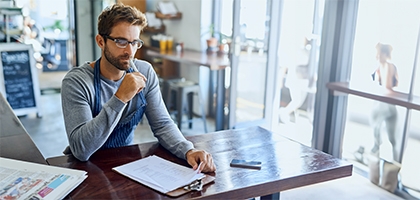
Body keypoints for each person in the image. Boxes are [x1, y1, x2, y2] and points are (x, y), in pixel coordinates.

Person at [61, 3, 216, 172]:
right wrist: (120, 98)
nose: (129, 51)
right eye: (121, 41)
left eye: (134, 42)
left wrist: (188, 150)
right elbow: (81, 150)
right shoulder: (77, 82)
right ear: (101, 41)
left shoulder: (144, 72)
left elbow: (162, 124)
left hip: (126, 164)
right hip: (86, 170)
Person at [370, 42, 399, 161]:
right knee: (377, 124)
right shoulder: (379, 67)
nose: (377, 56)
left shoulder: (388, 66)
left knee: (391, 137)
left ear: (385, 54)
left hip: (389, 105)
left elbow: (387, 86)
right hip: (386, 104)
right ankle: (376, 150)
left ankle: (394, 163)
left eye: (379, 53)